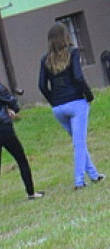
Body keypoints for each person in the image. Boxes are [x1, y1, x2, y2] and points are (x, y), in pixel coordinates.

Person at [0, 58, 44, 213]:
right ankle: (31, 192)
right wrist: (8, 110)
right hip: (4, 130)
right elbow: (15, 106)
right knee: (21, 160)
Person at [38, 22, 104, 189]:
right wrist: (88, 95)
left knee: (78, 141)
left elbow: (41, 85)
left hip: (58, 108)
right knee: (79, 143)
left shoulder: (45, 59)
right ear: (66, 37)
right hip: (76, 103)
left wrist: (53, 101)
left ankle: (94, 175)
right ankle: (79, 181)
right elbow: (78, 76)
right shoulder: (73, 53)